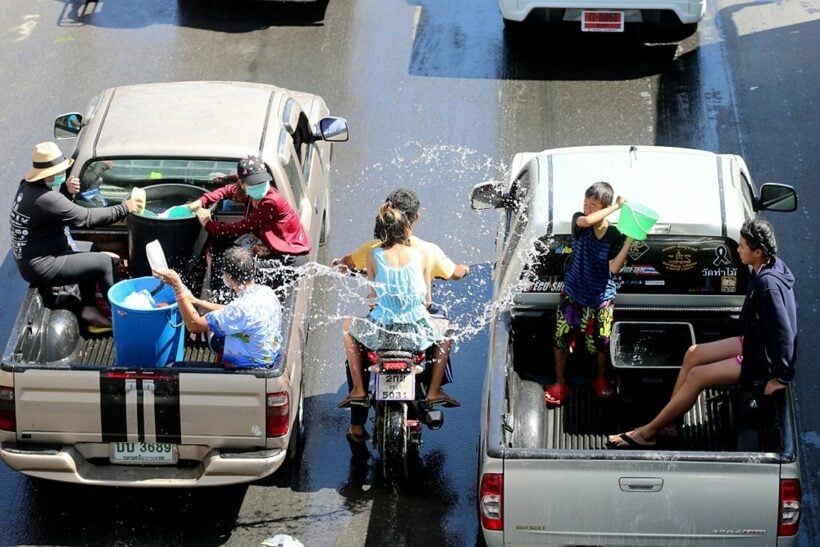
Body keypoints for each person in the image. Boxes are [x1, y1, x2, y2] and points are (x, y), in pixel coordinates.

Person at [608, 219, 797, 448]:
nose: (738, 250)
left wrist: (781, 377)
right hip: (751, 342)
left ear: (757, 252)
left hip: (759, 360)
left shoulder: (768, 284)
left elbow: (784, 331)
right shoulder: (767, 267)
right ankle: (670, 422)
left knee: (697, 376)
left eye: (743, 246)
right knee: (693, 354)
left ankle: (647, 433)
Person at [334, 188, 468, 443]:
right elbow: (430, 296)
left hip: (383, 329)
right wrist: (466, 270)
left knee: (351, 337)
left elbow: (366, 287)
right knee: (446, 328)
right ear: (413, 219)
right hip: (417, 329)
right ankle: (434, 389)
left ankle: (358, 406)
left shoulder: (372, 251)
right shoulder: (425, 251)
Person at [10, 141, 144, 329]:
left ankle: (89, 308)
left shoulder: (28, 188)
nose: (62, 174)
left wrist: (66, 191)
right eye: (59, 171)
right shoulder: (46, 199)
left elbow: (54, 214)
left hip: (35, 256)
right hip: (43, 265)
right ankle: (125, 320)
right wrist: (125, 208)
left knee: (92, 249)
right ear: (49, 174)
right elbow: (85, 218)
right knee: (104, 263)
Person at [544, 181, 633, 406]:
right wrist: (616, 207)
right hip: (574, 292)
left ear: (603, 206)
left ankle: (601, 377)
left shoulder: (615, 234)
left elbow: (614, 268)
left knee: (602, 341)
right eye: (585, 203)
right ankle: (559, 381)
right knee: (561, 337)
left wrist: (630, 241)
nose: (587, 208)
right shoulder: (579, 221)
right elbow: (586, 220)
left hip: (600, 296)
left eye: (593, 205)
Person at [186, 154, 310, 286]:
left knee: (239, 270)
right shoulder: (249, 193)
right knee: (221, 247)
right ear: (242, 184)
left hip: (288, 259)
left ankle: (225, 300)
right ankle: (215, 293)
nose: (259, 185)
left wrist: (208, 224)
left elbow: (243, 227)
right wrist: (202, 200)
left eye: (262, 182)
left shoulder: (271, 201)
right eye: (253, 183)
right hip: (269, 248)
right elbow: (226, 190)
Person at [153, 246, 283, 369]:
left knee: (171, 369)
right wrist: (197, 301)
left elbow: (194, 325)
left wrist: (178, 287)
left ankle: (219, 367)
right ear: (253, 270)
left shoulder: (239, 310)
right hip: (266, 356)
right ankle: (221, 355)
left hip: (247, 368)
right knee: (214, 329)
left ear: (229, 278)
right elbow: (229, 311)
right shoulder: (266, 292)